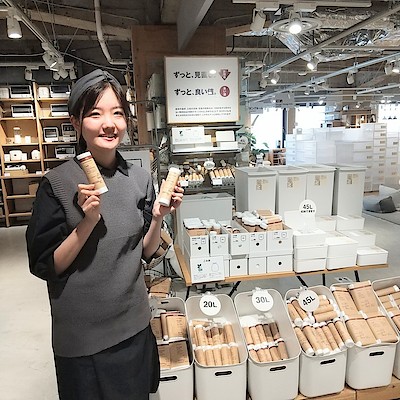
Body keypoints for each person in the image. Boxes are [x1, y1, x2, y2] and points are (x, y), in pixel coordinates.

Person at [26, 69, 184, 400]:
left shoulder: (139, 178)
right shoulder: (57, 184)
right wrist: (87, 222)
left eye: (117, 113)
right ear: (76, 122)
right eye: (95, 114)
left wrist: (158, 218)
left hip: (134, 325)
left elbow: (145, 252)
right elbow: (47, 266)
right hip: (83, 338)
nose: (109, 124)